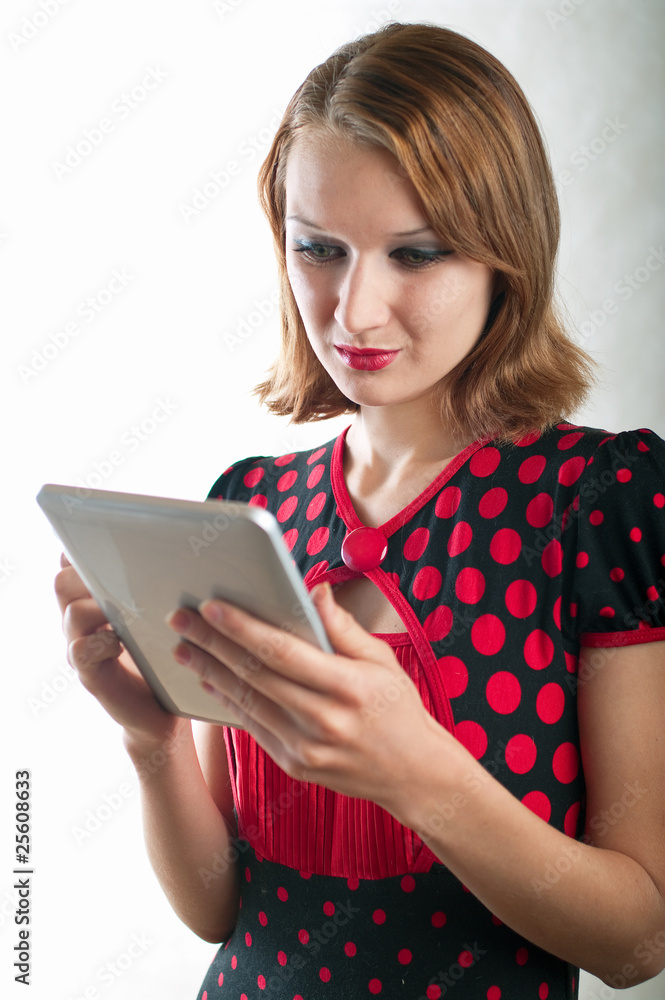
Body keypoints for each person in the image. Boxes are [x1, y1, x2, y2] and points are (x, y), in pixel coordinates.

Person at [55, 21, 665, 1000]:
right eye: (319, 249)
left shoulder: (598, 501)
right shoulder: (250, 504)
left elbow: (636, 944)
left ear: (503, 252)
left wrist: (417, 771)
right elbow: (221, 911)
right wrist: (151, 737)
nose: (353, 310)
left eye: (414, 253)